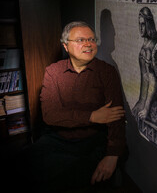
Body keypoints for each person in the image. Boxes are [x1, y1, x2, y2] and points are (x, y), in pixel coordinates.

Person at [25, 21, 126, 192]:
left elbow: (116, 117)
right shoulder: (53, 71)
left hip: (94, 141)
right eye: (80, 40)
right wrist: (92, 116)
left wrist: (112, 155)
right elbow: (50, 115)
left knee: (77, 180)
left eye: (91, 39)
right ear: (65, 46)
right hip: (58, 139)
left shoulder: (107, 71)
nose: (88, 44)